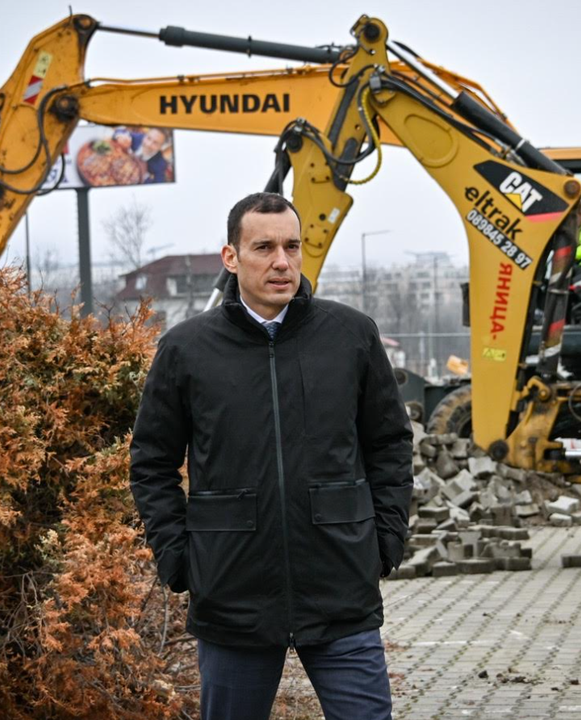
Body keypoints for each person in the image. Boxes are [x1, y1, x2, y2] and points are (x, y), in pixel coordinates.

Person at [129, 192, 413, 720]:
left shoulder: (351, 336)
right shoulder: (186, 350)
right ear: (231, 257)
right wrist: (180, 560)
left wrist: (384, 542)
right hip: (232, 593)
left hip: (341, 586)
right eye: (264, 247)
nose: (282, 261)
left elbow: (390, 444)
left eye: (291, 246)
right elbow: (151, 462)